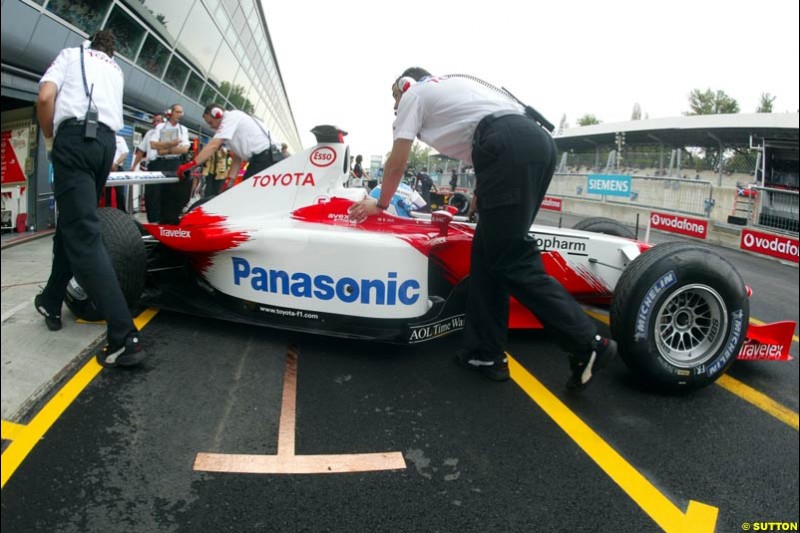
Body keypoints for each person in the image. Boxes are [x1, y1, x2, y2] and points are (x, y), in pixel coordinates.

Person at [348, 67, 616, 390]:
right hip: (533, 144)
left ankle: (588, 343)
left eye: (394, 97)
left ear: (404, 85)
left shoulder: (413, 94)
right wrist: (480, 191)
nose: (394, 107)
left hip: (506, 146)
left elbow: (397, 160)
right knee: (488, 253)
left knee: (510, 257)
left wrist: (381, 202)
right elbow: (486, 131)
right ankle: (484, 353)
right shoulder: (450, 89)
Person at [34, 29, 146, 368]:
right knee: (72, 223)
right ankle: (52, 299)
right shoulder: (115, 70)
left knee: (83, 234)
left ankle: (124, 338)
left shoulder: (72, 55)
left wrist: (51, 140)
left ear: (89, 42)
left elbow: (44, 98)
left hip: (75, 139)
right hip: (105, 144)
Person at [176, 105, 280, 183]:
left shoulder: (231, 117)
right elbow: (237, 159)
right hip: (267, 157)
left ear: (217, 113)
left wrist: (189, 165)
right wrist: (228, 182)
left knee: (248, 197)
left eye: (211, 123)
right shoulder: (233, 126)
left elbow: (213, 145)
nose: (211, 127)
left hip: (264, 158)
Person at [148, 103, 190, 224]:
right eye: (177, 112)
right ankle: (154, 221)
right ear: (171, 112)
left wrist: (165, 149)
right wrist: (172, 144)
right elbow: (153, 145)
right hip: (160, 163)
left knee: (172, 193)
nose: (180, 114)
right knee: (155, 193)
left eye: (181, 112)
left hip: (174, 162)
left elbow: (184, 149)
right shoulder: (161, 126)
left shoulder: (183, 129)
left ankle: (170, 220)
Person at [105, 134, 129, 210]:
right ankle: (107, 212)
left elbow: (124, 153)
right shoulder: (104, 138)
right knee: (106, 193)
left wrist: (116, 164)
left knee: (120, 193)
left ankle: (122, 212)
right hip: (106, 169)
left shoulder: (120, 139)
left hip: (117, 169)